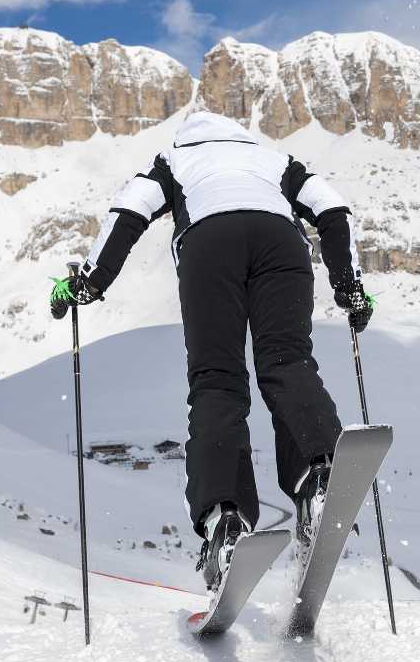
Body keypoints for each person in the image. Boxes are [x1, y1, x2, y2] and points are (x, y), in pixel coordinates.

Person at [50, 110, 372, 591]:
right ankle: (321, 476)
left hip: (207, 244)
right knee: (287, 360)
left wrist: (88, 285)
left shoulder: (172, 161)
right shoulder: (276, 160)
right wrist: (349, 288)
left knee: (217, 381)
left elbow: (128, 214)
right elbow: (333, 212)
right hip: (282, 244)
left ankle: (225, 521)